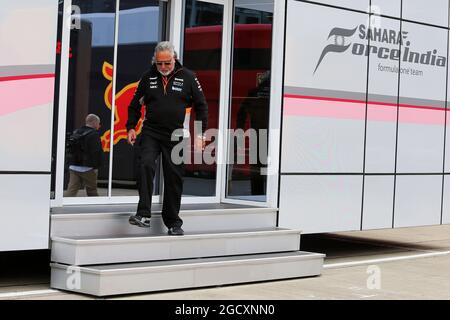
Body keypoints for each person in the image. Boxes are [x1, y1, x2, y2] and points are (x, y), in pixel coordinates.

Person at [126, 41, 208, 236]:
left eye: (167, 63)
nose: (163, 67)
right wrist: (130, 127)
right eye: (159, 63)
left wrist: (201, 134)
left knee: (173, 178)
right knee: (145, 164)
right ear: (155, 61)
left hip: (176, 135)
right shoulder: (147, 77)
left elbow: (202, 106)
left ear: (175, 59)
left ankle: (173, 222)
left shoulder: (189, 77)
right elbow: (134, 105)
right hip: (151, 131)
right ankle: (143, 214)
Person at [65, 114, 103, 197]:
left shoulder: (76, 131)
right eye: (99, 123)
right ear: (95, 123)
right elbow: (96, 152)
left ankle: (62, 204)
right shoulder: (94, 134)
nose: (99, 126)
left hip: (73, 166)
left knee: (71, 190)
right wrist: (96, 166)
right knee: (92, 190)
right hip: (88, 168)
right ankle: (95, 207)